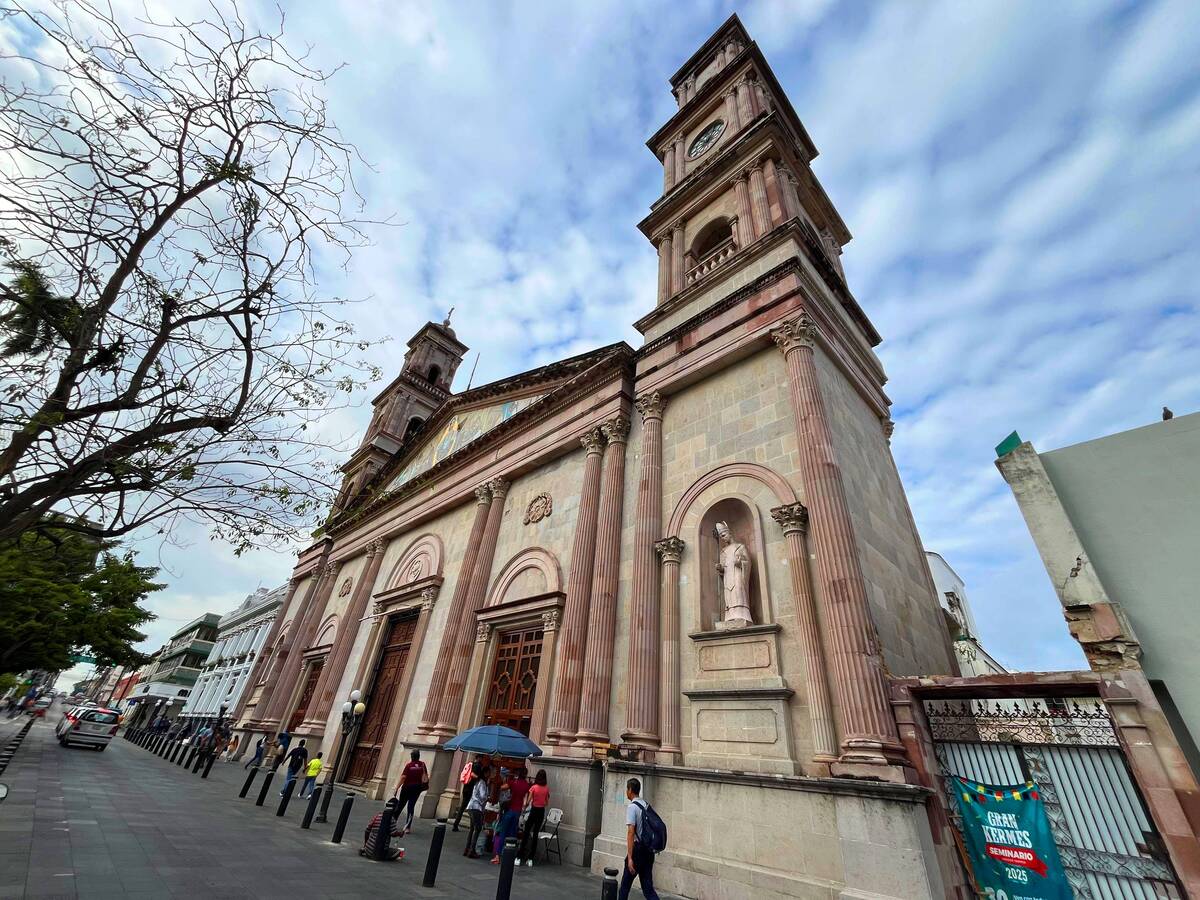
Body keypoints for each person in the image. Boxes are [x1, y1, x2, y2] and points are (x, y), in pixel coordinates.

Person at [619, 778, 660, 900]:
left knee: (624, 887)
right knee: (648, 889)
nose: (626, 792)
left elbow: (631, 833)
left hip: (637, 851)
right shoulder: (645, 805)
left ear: (630, 790)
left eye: (627, 789)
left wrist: (630, 858)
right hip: (648, 851)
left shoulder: (632, 807)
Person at [517, 769, 550, 866]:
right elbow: (546, 803)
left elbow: (528, 801)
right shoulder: (546, 788)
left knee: (526, 833)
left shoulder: (534, 788)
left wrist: (524, 807)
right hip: (541, 812)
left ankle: (519, 856)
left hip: (534, 810)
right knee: (535, 834)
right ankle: (531, 858)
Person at [393, 749, 429, 834]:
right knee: (411, 806)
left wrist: (397, 788)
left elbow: (403, 777)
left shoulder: (409, 765)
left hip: (407, 788)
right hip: (417, 789)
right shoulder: (422, 765)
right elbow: (426, 776)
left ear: (412, 757)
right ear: (418, 756)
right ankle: (407, 827)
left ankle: (393, 823)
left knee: (400, 805)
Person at [462, 763, 491, 859]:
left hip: (471, 806)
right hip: (476, 807)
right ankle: (472, 850)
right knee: (477, 829)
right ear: (486, 773)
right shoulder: (482, 782)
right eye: (489, 773)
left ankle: (467, 848)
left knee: (472, 829)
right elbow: (483, 796)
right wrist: (487, 797)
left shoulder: (476, 781)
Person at [491, 767, 518, 865]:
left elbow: (504, 795)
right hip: (513, 811)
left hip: (507, 811)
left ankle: (500, 854)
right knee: (510, 833)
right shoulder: (513, 784)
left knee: (503, 832)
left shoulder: (510, 785)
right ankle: (507, 855)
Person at [453, 756, 482, 832]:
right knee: (470, 808)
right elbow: (472, 774)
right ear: (479, 758)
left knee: (463, 807)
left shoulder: (470, 764)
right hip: (471, 789)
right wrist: (479, 779)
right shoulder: (477, 765)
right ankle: (471, 826)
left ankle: (456, 824)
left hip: (466, 787)